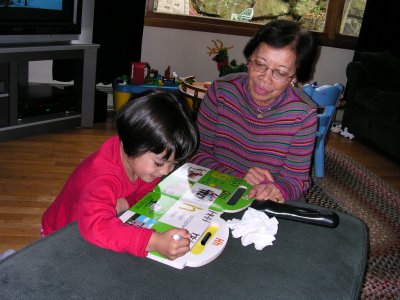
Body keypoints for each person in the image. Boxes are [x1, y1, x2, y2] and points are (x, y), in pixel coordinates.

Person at [41, 90, 198, 260]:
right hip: (60, 234)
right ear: (133, 144)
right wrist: (153, 241)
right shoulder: (103, 174)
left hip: (92, 226)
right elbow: (96, 227)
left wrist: (125, 202)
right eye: (160, 163)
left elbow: (144, 193)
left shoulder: (142, 165)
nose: (166, 171)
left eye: (173, 163)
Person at [190, 20, 318, 203]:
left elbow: (296, 181)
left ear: (294, 76)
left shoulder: (303, 114)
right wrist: (237, 176)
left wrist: (275, 188)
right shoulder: (220, 92)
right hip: (214, 187)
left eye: (280, 73)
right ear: (249, 59)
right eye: (259, 64)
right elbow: (196, 153)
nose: (264, 79)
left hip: (265, 201)